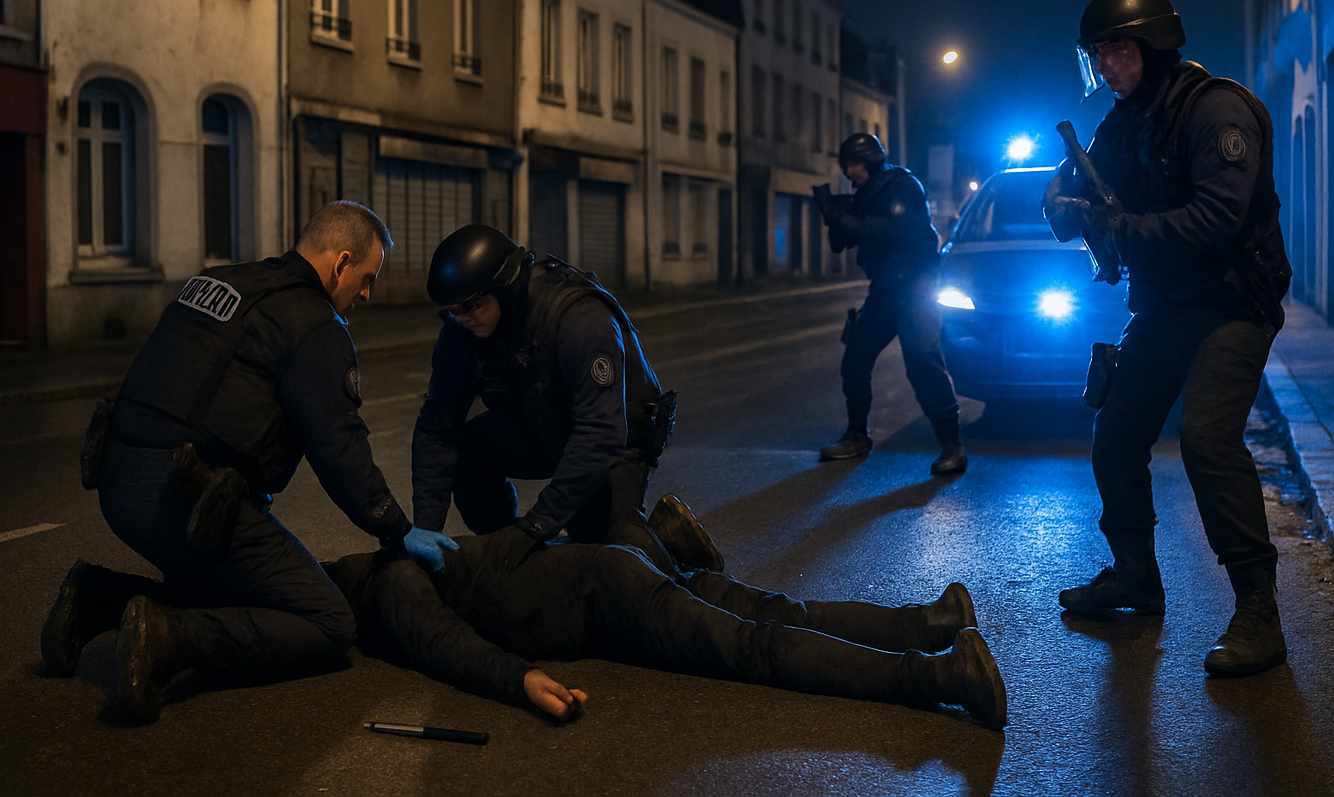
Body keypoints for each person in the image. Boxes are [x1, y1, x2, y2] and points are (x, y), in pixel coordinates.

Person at [39, 201, 457, 722]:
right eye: (367, 278)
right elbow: (339, 448)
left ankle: (96, 599)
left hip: (115, 483)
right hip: (188, 509)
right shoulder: (318, 327)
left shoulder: (218, 282)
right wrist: (398, 530)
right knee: (327, 622)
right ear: (340, 263)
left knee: (224, 585)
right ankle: (170, 642)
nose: (367, 294)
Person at [1044, 0, 1293, 677]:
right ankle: (1134, 577)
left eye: (1118, 53)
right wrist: (1065, 206)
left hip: (1232, 303)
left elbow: (1218, 218)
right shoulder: (1123, 124)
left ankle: (1258, 612)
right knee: (1116, 432)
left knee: (1210, 440)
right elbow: (1076, 193)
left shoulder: (1216, 111)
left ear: (1152, 50)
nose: (1109, 69)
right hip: (1164, 306)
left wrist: (1121, 227)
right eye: (1099, 56)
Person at [322, 534, 1006, 730]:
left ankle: (943, 677)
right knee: (774, 614)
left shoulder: (384, 584)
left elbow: (444, 644)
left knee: (754, 647)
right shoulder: (402, 558)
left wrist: (517, 679)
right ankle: (932, 621)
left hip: (610, 595)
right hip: (606, 564)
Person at [409, 224, 717, 577]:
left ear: (503, 287)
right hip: (545, 421)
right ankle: (513, 564)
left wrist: (536, 527)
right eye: (452, 311)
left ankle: (678, 564)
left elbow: (601, 434)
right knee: (467, 451)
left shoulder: (579, 317)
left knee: (601, 545)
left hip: (617, 438)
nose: (462, 318)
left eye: (470, 306)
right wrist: (427, 530)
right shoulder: (462, 327)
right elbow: (437, 427)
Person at [816, 134, 966, 476]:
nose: (850, 171)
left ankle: (952, 446)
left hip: (916, 287)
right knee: (855, 358)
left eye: (856, 163)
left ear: (871, 160)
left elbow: (888, 231)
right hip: (884, 289)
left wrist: (844, 219)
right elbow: (843, 242)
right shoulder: (865, 195)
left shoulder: (900, 185)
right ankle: (857, 436)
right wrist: (832, 214)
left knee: (922, 363)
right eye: (847, 165)